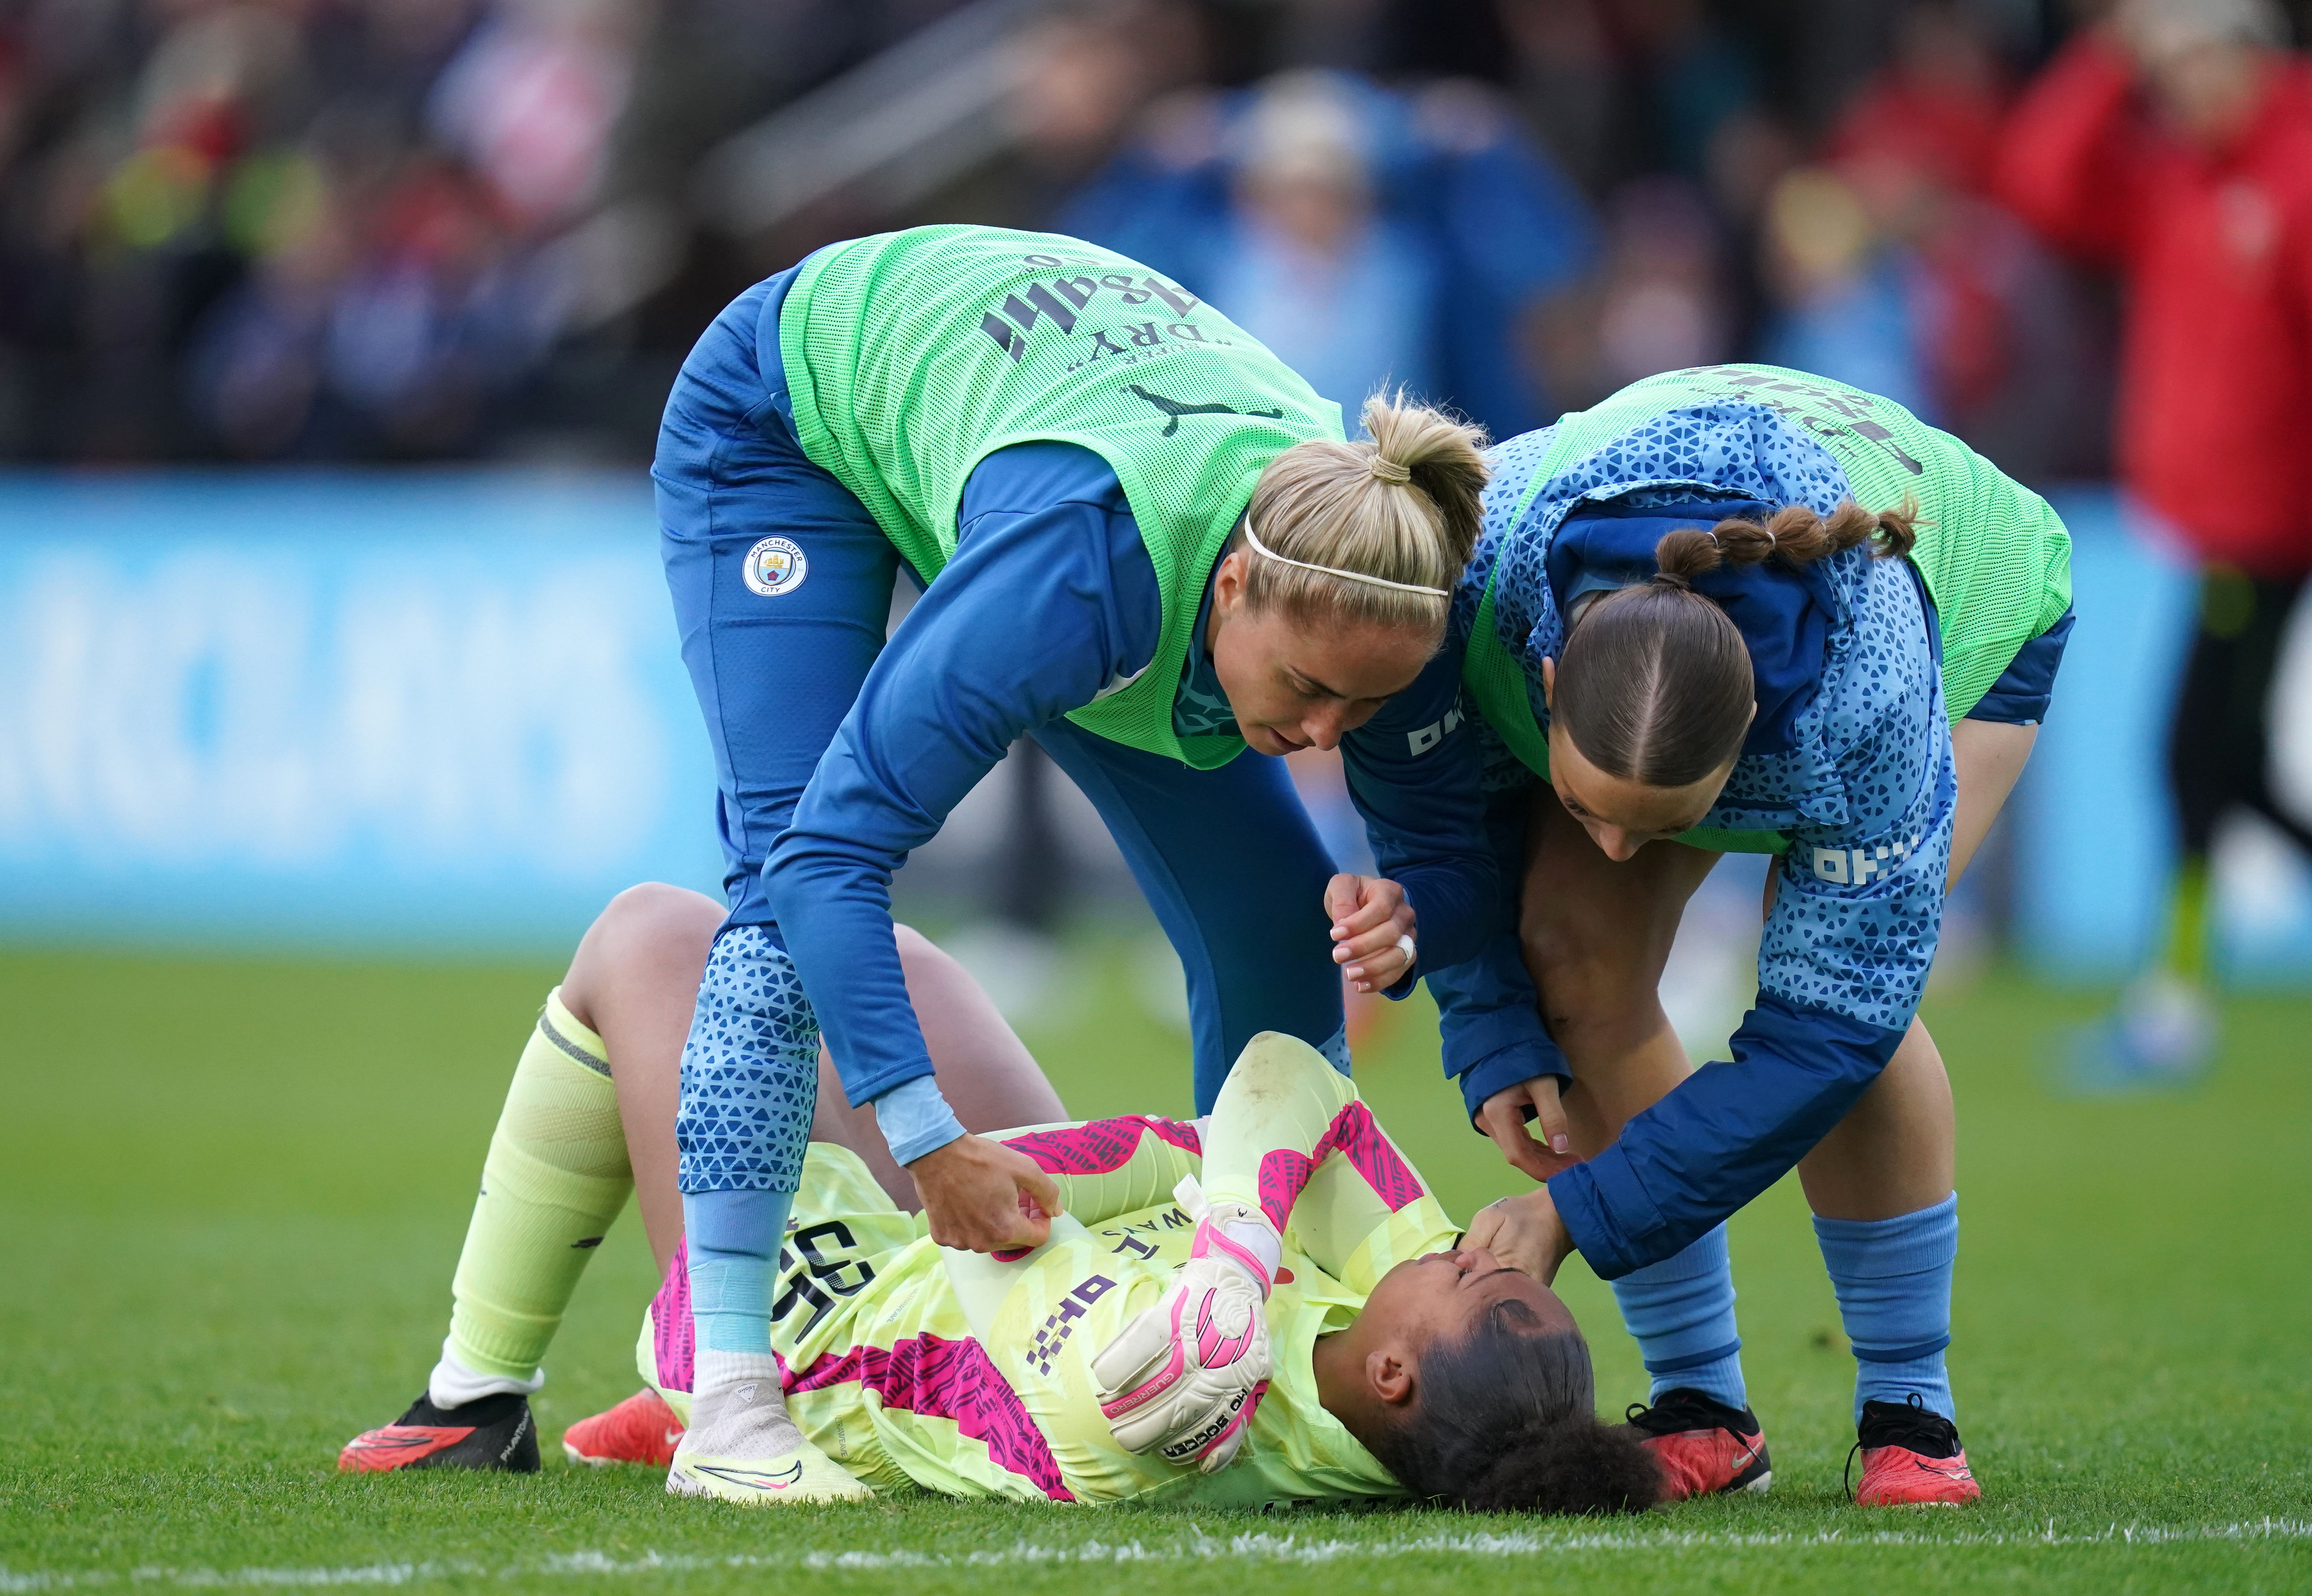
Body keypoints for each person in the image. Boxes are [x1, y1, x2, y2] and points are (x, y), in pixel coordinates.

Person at [650, 223, 1508, 1498]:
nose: (1324, 735)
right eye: (1310, 690)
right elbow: (832, 860)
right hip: (791, 412)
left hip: (1061, 458)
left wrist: (1438, 934)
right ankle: (726, 1402)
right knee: (780, 885)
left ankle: (1243, 1295)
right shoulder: (1081, 577)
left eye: (1359, 709)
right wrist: (930, 1140)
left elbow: (1441, 847)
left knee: (1276, 921)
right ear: (1230, 590)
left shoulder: (1377, 558)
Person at [337, 883, 1659, 1514]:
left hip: (818, 1329)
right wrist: (1230, 1252)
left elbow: (995, 1228)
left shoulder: (1151, 1392)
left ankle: (480, 1399)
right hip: (982, 1234)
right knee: (889, 961)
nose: (1478, 1239)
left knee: (652, 939)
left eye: (1475, 1275)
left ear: (1391, 1373)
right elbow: (1282, 1084)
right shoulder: (1389, 1318)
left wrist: (1198, 1202)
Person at [1429, 362, 2072, 1508]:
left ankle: (1909, 1410)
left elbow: (1829, 1031)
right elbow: (1423, 806)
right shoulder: (1483, 570)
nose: (1625, 852)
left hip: (1975, 619)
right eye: (1587, 807)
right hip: (1657, 564)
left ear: (1748, 759)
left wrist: (1578, 1209)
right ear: (1544, 678)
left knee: (1839, 991)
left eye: (1665, 825)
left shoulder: (1860, 698)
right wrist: (1488, 1017)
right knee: (1574, 946)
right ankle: (1701, 1409)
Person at [1998, 0, 2312, 1077]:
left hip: (2270, 524)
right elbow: (2041, 182)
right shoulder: (2186, 170)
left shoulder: (2294, 169)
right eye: (2163, 65)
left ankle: (2174, 1005)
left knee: (2194, 760)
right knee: (2230, 765)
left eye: (2191, 59)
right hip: (2221, 521)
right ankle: (2173, 1001)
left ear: (2248, 53)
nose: (2176, 85)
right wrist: (2109, 52)